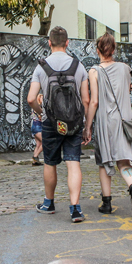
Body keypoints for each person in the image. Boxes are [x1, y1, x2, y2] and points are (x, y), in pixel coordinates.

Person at [27, 26, 90, 223]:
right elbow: (86, 100)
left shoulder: (41, 67)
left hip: (50, 123)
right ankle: (75, 209)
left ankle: (49, 203)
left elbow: (31, 99)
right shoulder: (78, 66)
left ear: (49, 43)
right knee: (73, 163)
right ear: (67, 43)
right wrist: (86, 125)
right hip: (73, 123)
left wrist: (42, 113)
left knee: (50, 162)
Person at [85, 33, 132, 217]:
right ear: (114, 50)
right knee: (124, 160)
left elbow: (94, 101)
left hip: (106, 121)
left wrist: (88, 126)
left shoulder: (94, 71)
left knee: (105, 161)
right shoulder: (125, 68)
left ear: (98, 50)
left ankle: (106, 203)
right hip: (124, 119)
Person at [31, 94, 44, 166]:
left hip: (35, 125)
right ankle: (35, 156)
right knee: (45, 142)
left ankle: (35, 162)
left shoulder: (34, 107)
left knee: (38, 144)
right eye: (41, 98)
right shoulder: (38, 107)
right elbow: (41, 117)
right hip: (37, 126)